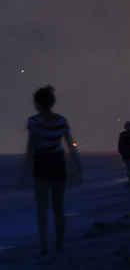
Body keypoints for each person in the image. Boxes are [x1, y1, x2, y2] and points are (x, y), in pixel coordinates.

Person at [26, 85, 82, 255]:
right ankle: (59, 245)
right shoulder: (61, 120)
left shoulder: (34, 121)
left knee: (42, 208)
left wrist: (25, 169)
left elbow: (31, 146)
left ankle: (44, 245)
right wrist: (78, 166)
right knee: (59, 207)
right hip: (58, 163)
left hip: (42, 163)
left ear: (39, 103)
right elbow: (71, 144)